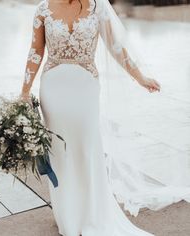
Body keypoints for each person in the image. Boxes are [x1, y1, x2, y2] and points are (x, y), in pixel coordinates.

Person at [20, 0, 160, 235]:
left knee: (87, 147)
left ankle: (91, 211)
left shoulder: (99, 7)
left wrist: (140, 77)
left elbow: (116, 47)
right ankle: (67, 213)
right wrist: (25, 91)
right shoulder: (43, 9)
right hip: (53, 89)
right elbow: (36, 51)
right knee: (60, 151)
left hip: (85, 86)